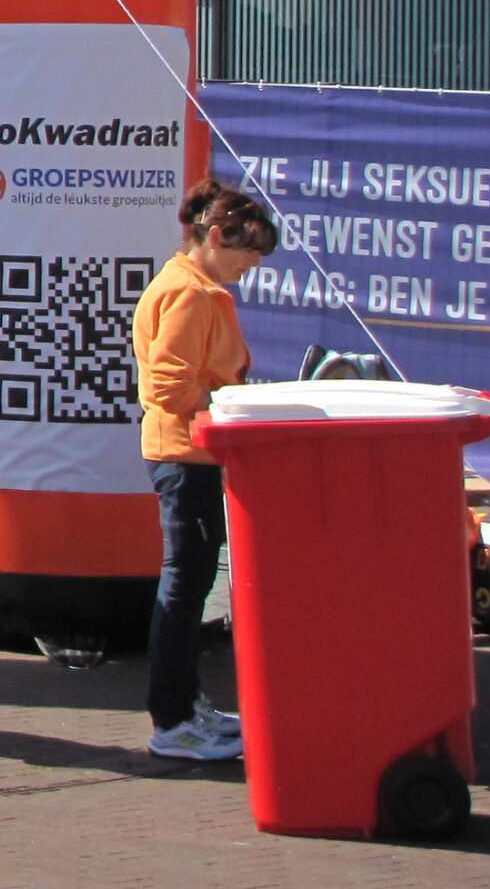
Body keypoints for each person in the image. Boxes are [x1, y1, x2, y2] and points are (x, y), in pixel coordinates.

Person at [134, 178, 274, 763]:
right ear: (215, 236)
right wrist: (227, 404)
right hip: (183, 455)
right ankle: (172, 720)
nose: (252, 265)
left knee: (188, 586)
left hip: (188, 453)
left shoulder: (193, 286)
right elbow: (166, 384)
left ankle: (187, 705)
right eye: (247, 252)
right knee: (184, 588)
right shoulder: (191, 293)